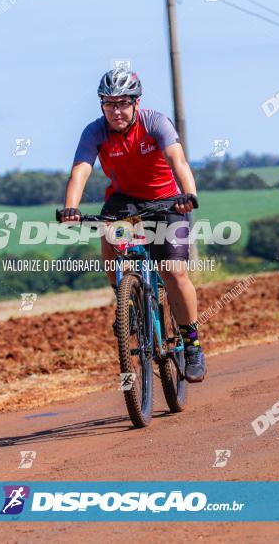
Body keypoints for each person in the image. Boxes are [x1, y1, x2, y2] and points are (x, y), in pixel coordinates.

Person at [59, 69, 206, 382]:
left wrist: (187, 194)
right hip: (125, 200)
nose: (116, 111)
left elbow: (178, 161)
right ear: (101, 106)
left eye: (122, 103)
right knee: (107, 229)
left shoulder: (155, 122)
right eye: (108, 104)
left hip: (167, 200)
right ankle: (123, 301)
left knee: (172, 271)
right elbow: (81, 171)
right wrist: (71, 207)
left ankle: (192, 344)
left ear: (136, 103)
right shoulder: (95, 132)